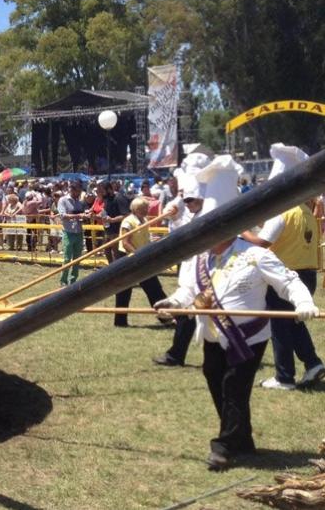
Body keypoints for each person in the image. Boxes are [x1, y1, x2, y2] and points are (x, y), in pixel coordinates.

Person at [152, 155, 319, 471]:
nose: (208, 234)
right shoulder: (197, 258)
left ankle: (224, 446)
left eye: (214, 227)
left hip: (249, 335)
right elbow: (188, 291)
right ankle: (242, 440)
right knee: (215, 378)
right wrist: (173, 303)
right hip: (213, 334)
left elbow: (289, 280)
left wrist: (303, 303)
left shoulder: (254, 254)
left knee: (234, 386)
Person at [251, 144, 324, 390]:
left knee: (280, 326)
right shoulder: (307, 213)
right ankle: (313, 363)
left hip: (285, 276)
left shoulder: (283, 213)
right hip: (308, 275)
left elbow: (262, 242)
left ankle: (284, 376)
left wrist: (241, 232)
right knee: (294, 323)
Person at [153, 153, 210, 366]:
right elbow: (181, 215)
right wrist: (175, 205)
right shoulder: (191, 207)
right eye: (185, 199)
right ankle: (176, 354)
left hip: (211, 270)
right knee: (188, 314)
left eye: (190, 199)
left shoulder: (212, 208)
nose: (188, 203)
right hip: (192, 267)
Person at [112, 197, 169, 328]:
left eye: (146, 208)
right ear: (136, 209)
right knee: (124, 291)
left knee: (154, 288)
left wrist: (152, 244)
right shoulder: (128, 222)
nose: (146, 210)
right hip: (127, 258)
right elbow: (125, 243)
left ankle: (165, 317)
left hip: (142, 258)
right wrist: (139, 255)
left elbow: (144, 239)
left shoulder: (145, 220)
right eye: (143, 208)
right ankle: (120, 321)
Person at [57, 182, 89, 285]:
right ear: (72, 189)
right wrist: (78, 215)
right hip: (68, 233)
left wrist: (85, 216)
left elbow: (81, 215)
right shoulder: (63, 200)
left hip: (79, 232)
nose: (79, 193)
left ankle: (73, 280)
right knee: (67, 258)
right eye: (78, 191)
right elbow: (62, 215)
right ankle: (63, 281)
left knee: (77, 259)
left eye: (80, 191)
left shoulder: (79, 202)